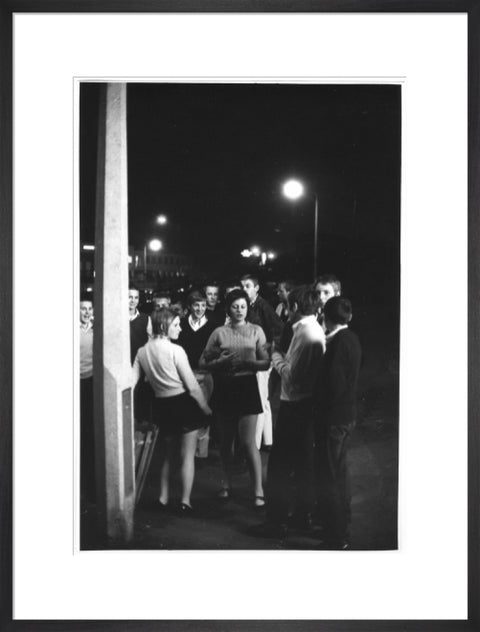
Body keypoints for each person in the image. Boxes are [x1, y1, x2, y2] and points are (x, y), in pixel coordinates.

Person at [253, 286, 326, 537]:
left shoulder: (306, 333)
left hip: (296, 405)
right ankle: (299, 518)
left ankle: (277, 523)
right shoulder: (309, 329)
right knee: (301, 465)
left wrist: (275, 355)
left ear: (294, 307)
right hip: (303, 405)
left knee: (281, 467)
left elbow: (291, 375)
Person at [132, 307, 212, 513]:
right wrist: (206, 409)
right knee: (187, 456)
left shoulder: (142, 352)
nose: (180, 329)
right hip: (183, 404)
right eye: (176, 325)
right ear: (164, 326)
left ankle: (163, 497)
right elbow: (193, 387)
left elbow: (134, 382)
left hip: (162, 406)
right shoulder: (176, 350)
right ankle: (185, 501)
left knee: (167, 455)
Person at [199, 289, 270, 507]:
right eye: (235, 306)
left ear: (248, 308)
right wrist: (219, 363)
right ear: (228, 309)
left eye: (243, 306)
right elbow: (203, 362)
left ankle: (258, 491)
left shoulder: (257, 331)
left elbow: (266, 362)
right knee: (226, 443)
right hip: (225, 387)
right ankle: (226, 484)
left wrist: (249, 364)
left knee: (249, 443)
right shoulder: (219, 332)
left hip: (247, 386)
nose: (239, 310)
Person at [313, 296, 362, 549]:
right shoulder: (351, 338)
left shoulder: (336, 343)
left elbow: (333, 384)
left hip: (333, 418)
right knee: (340, 473)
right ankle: (343, 524)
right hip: (348, 416)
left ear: (326, 318)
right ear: (349, 317)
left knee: (330, 476)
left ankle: (335, 535)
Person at [240, 274, 283, 450]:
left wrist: (269, 346)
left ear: (256, 288)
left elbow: (279, 327)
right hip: (254, 357)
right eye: (242, 286)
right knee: (263, 399)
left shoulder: (262, 306)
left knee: (259, 399)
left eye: (248, 286)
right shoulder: (249, 306)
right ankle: (267, 440)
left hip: (262, 358)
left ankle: (256, 444)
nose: (244, 289)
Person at [177, 290, 217, 457]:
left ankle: (201, 452)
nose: (200, 308)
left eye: (203, 305)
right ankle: (187, 451)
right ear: (190, 306)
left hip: (205, 373)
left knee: (203, 411)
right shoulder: (182, 324)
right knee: (187, 411)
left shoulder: (212, 325)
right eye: (196, 305)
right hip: (185, 373)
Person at [80, 293, 95, 503]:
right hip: (75, 383)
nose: (87, 313)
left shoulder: (96, 330)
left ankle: (90, 488)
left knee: (90, 434)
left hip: (92, 383)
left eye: (90, 309)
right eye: (83, 308)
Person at [129, 285, 152, 363]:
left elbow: (150, 343)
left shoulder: (146, 318)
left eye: (136, 297)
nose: (133, 300)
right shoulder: (118, 318)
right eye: (130, 297)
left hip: (140, 362)